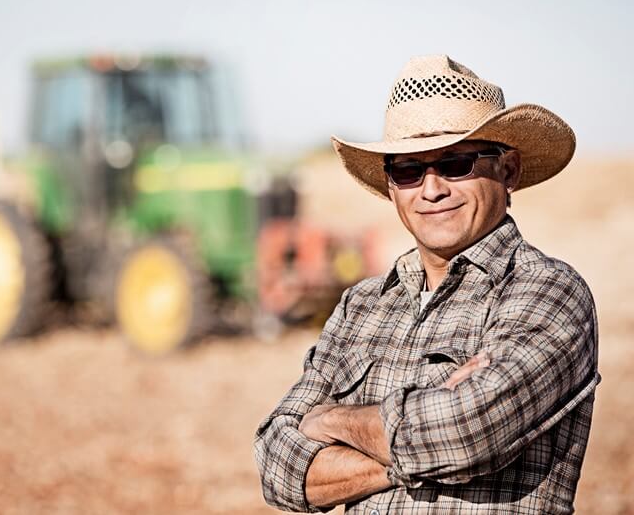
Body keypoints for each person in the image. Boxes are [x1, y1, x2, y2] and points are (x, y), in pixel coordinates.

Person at [254, 55, 600, 514]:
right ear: (391, 185)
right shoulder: (360, 305)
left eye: (456, 163)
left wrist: (330, 421)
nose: (431, 189)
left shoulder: (549, 293)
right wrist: (422, 439)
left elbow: (467, 432)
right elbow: (277, 465)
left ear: (509, 171)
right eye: (408, 170)